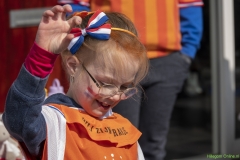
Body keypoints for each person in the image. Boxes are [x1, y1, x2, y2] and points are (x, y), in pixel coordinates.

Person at [2, 4, 149, 160]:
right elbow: (19, 120)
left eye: (125, 87)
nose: (116, 96)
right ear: (73, 66)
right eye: (106, 83)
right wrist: (42, 56)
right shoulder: (54, 123)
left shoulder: (125, 133)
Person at [90, 1, 204, 160]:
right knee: (118, 141)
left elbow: (190, 4)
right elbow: (77, 6)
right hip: (114, 57)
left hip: (167, 59)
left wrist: (187, 53)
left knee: (154, 144)